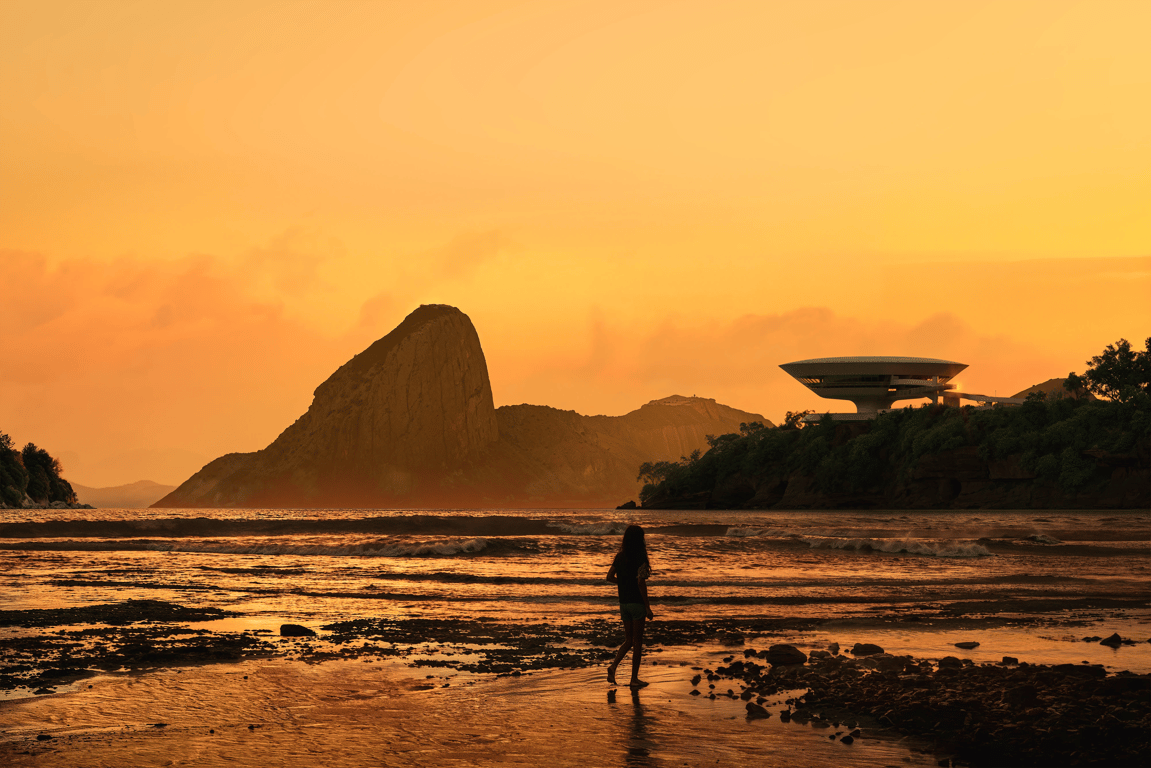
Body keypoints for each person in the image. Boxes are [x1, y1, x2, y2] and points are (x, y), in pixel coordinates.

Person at [606, 524, 654, 688]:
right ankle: (634, 679)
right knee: (638, 642)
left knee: (628, 640)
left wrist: (623, 582)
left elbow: (609, 577)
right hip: (636, 604)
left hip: (624, 604)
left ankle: (613, 666)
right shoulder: (640, 556)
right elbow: (641, 583)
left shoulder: (620, 556)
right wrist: (647, 607)